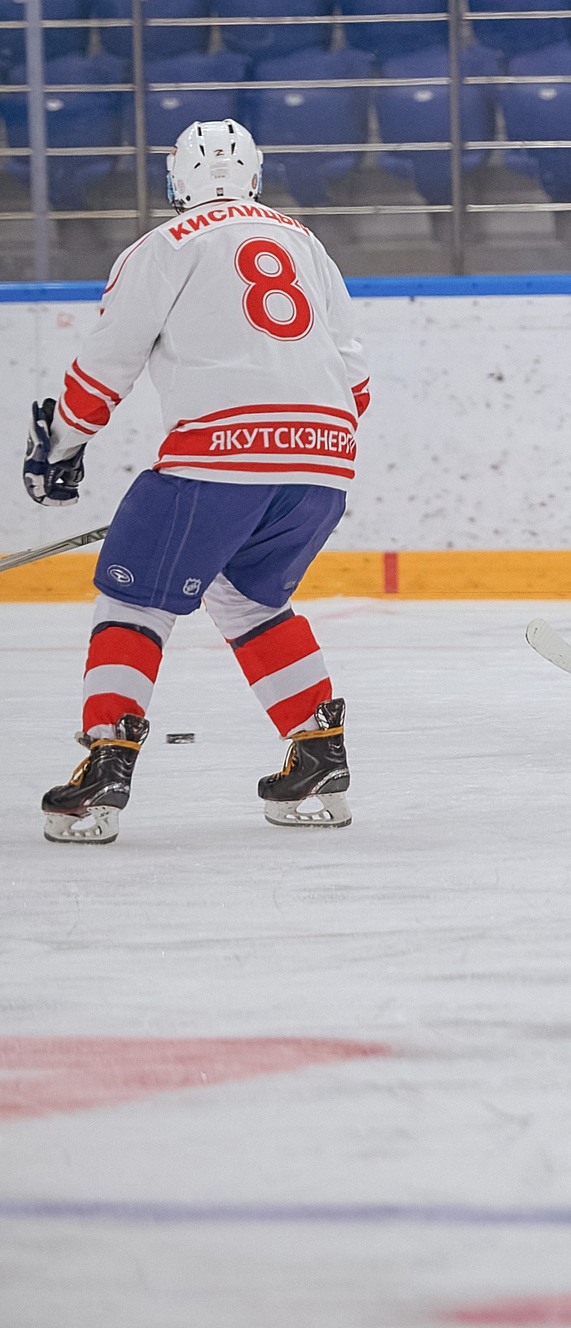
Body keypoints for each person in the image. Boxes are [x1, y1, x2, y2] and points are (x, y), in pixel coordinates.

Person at [22, 121, 372, 843]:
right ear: (255, 177)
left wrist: (62, 446)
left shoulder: (163, 246)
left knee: (133, 599)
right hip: (326, 460)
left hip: (218, 461)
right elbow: (355, 380)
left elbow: (108, 363)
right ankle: (317, 752)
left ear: (177, 178)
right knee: (248, 598)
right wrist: (289, 451)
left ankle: (106, 761)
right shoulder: (309, 245)